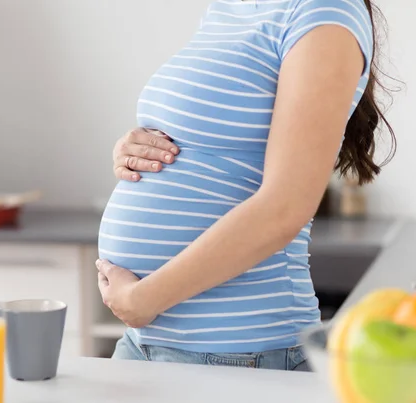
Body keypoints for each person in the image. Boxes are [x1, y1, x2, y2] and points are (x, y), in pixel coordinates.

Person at [95, 0, 396, 371]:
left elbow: (285, 207)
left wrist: (144, 299)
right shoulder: (229, 8)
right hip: (148, 340)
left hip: (240, 352)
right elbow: (210, 136)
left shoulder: (324, 11)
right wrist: (132, 148)